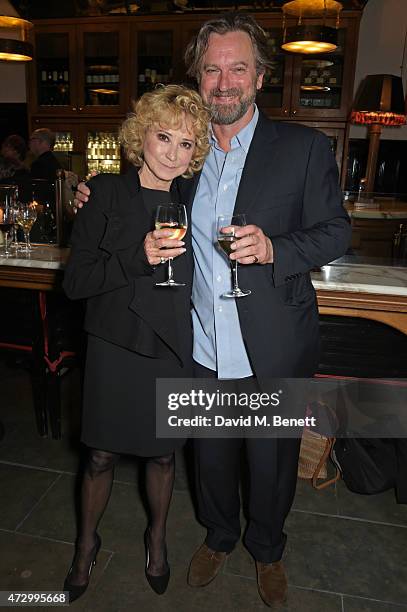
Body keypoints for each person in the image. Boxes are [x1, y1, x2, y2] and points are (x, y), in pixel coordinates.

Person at [74, 12, 351, 607]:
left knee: (272, 461)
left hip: (272, 343)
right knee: (213, 460)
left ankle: (268, 549)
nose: (224, 82)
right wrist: (92, 191)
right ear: (198, 77)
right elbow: (143, 183)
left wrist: (278, 248)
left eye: (238, 69)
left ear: (259, 77)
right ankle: (219, 537)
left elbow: (335, 232)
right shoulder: (189, 160)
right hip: (198, 343)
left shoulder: (302, 147)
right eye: (212, 69)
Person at [63, 84, 210, 602]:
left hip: (171, 344)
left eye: (186, 144)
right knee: (100, 455)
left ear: (197, 154)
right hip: (115, 342)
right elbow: (75, 283)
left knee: (163, 457)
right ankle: (85, 544)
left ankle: (157, 538)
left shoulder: (196, 199)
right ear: (139, 136)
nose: (172, 152)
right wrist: (136, 257)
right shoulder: (103, 193)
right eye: (163, 136)